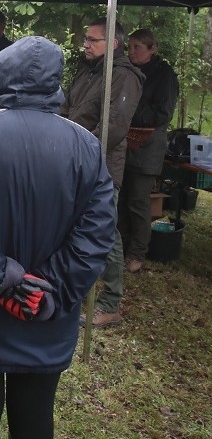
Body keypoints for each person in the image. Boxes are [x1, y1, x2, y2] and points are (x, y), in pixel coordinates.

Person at [0, 36, 114, 439]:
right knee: (35, 421)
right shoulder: (86, 145)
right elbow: (97, 234)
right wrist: (45, 291)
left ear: (0, 76)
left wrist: (4, 280)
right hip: (44, 316)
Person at [60, 18, 143, 328]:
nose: (86, 44)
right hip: (73, 161)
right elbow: (66, 109)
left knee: (105, 233)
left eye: (94, 40)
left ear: (114, 45)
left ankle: (110, 302)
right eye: (86, 39)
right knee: (74, 227)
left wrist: (78, 148)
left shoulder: (123, 77)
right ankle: (77, 286)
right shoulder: (87, 72)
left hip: (102, 167)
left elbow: (115, 128)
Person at [120, 29, 178, 273]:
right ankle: (120, 247)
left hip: (148, 148)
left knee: (138, 202)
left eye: (137, 47)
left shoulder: (164, 76)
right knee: (121, 200)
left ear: (153, 48)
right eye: (130, 47)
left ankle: (137, 254)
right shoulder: (130, 71)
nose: (132, 52)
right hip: (125, 145)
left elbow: (162, 114)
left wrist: (129, 113)